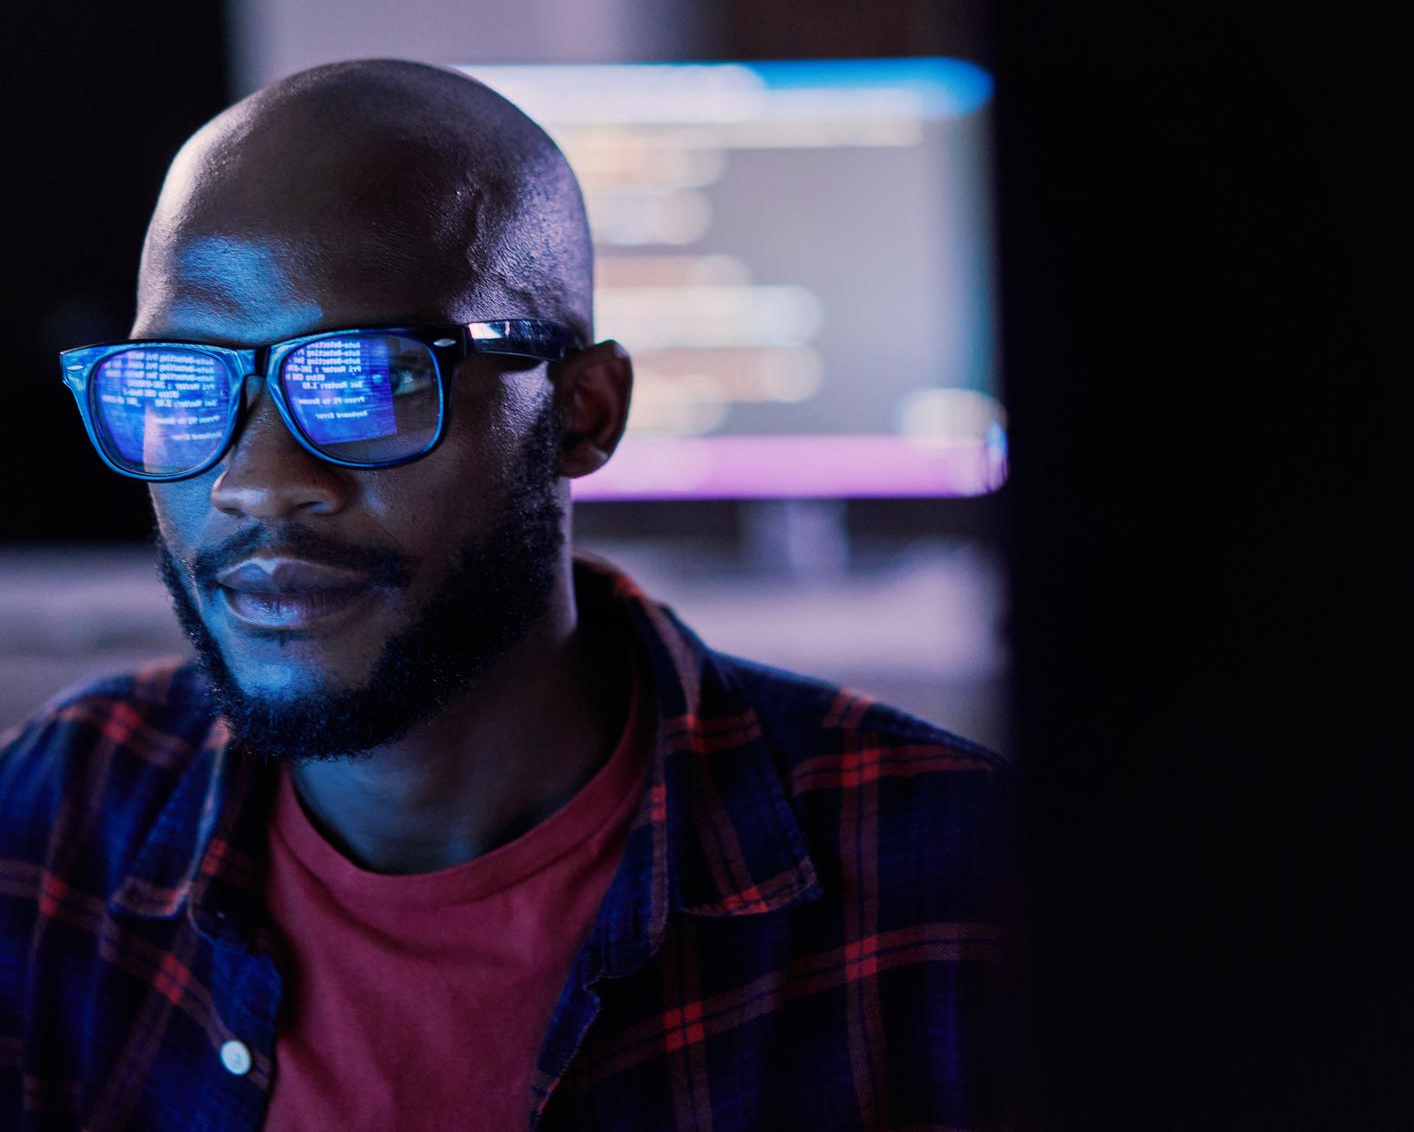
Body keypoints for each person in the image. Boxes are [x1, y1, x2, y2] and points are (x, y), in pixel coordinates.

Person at [0, 60, 1013, 1130]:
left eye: (369, 379)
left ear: (582, 411)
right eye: (178, 386)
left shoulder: (953, 884)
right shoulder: (53, 825)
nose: (256, 480)